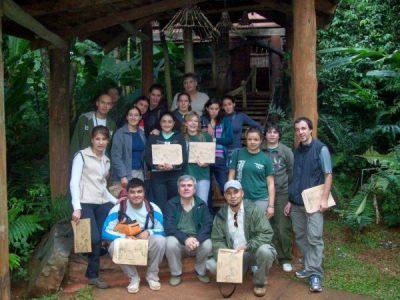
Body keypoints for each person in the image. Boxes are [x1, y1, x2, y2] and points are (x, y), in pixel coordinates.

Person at [286, 117, 333, 293]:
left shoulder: (321, 149)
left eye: (304, 128)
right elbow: (295, 179)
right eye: (297, 129)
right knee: (301, 236)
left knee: (314, 237)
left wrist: (324, 199)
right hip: (297, 203)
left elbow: (328, 175)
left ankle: (315, 275)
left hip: (314, 202)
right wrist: (290, 201)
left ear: (311, 130)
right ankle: (309, 265)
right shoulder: (296, 152)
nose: (300, 132)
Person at [206, 180, 276, 297]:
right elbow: (217, 240)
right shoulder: (221, 215)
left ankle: (260, 283)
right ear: (225, 196)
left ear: (242, 193)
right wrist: (227, 254)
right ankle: (240, 272)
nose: (232, 196)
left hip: (252, 251)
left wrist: (248, 245)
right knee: (211, 265)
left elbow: (267, 233)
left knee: (266, 251)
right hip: (233, 256)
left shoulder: (253, 210)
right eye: (228, 193)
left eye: (236, 192)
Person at [70, 126, 117, 289]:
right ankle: (93, 275)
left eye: (104, 139)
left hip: (102, 202)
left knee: (104, 235)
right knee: (95, 239)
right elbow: (74, 182)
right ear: (92, 139)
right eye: (97, 139)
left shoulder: (106, 160)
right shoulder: (81, 156)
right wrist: (76, 207)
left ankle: (95, 255)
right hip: (85, 202)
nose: (100, 142)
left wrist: (115, 200)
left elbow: (102, 186)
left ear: (107, 141)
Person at [102, 178, 166, 294]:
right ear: (127, 193)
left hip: (145, 240)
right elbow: (105, 232)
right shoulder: (118, 209)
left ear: (144, 192)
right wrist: (123, 237)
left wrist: (149, 232)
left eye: (139, 191)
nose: (136, 195)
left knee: (160, 241)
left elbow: (162, 230)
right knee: (113, 246)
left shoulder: (153, 209)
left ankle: (152, 276)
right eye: (132, 192)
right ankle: (133, 278)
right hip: (127, 240)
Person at [164, 175, 213, 286]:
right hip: (180, 243)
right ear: (178, 189)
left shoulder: (201, 204)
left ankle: (200, 271)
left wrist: (197, 239)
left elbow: (208, 225)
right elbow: (168, 226)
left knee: (208, 243)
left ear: (194, 189)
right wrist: (185, 239)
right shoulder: (171, 204)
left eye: (189, 185)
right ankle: (176, 273)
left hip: (197, 243)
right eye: (183, 186)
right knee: (169, 242)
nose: (186, 188)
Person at [264, 123, 294, 272]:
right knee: (267, 226)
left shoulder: (286, 151)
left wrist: (290, 195)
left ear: (279, 135)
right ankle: (271, 255)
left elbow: (291, 172)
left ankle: (285, 258)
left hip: (282, 192)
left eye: (275, 132)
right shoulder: (260, 150)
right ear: (265, 134)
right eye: (269, 132)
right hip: (263, 193)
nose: (272, 134)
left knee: (282, 226)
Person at [228, 127, 275, 219]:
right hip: (241, 198)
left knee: (259, 229)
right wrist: (232, 196)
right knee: (241, 228)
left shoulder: (265, 159)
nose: (252, 142)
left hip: (261, 199)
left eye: (256, 139)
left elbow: (271, 184)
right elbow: (231, 177)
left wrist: (271, 206)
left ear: (261, 140)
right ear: (246, 140)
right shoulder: (237, 154)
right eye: (249, 139)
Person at [145, 112, 188, 213]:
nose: (166, 124)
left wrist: (173, 165)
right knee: (160, 205)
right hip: (158, 177)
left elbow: (184, 157)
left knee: (174, 203)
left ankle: (173, 226)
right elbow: (147, 156)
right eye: (164, 121)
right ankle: (162, 226)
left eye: (169, 122)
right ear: (160, 123)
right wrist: (156, 165)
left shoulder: (179, 137)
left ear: (173, 123)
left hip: (175, 175)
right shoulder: (153, 136)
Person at [201, 98, 233, 210]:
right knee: (206, 188)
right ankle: (208, 214)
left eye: (216, 109)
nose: (214, 111)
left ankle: (233, 211)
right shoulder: (202, 120)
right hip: (204, 159)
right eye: (211, 108)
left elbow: (230, 139)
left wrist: (215, 139)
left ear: (220, 109)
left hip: (220, 158)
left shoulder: (225, 120)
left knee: (225, 185)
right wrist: (206, 123)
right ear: (206, 108)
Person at [70, 94, 116, 159]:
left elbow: (112, 146)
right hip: (85, 159)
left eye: (108, 104)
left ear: (111, 106)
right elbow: (76, 142)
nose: (105, 106)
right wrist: (74, 160)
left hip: (103, 161)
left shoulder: (112, 124)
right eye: (102, 102)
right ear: (97, 103)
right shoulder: (85, 119)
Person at [111, 106, 146, 191]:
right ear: (127, 117)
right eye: (130, 115)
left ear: (140, 117)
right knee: (123, 201)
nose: (133, 117)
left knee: (137, 199)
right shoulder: (120, 133)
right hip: (125, 174)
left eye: (136, 115)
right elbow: (115, 156)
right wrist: (123, 175)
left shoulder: (141, 133)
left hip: (139, 172)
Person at [183, 112, 213, 204]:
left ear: (199, 123)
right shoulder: (180, 137)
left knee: (202, 203)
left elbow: (210, 156)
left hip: (202, 175)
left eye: (196, 121)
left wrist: (207, 162)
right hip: (185, 176)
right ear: (185, 123)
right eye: (190, 120)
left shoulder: (206, 137)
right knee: (187, 204)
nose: (193, 123)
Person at [222, 95, 263, 160]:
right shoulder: (220, 118)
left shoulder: (240, 116)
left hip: (236, 150)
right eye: (225, 105)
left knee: (236, 170)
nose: (227, 107)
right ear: (222, 107)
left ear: (234, 104)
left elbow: (257, 125)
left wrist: (261, 135)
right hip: (222, 151)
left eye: (229, 104)